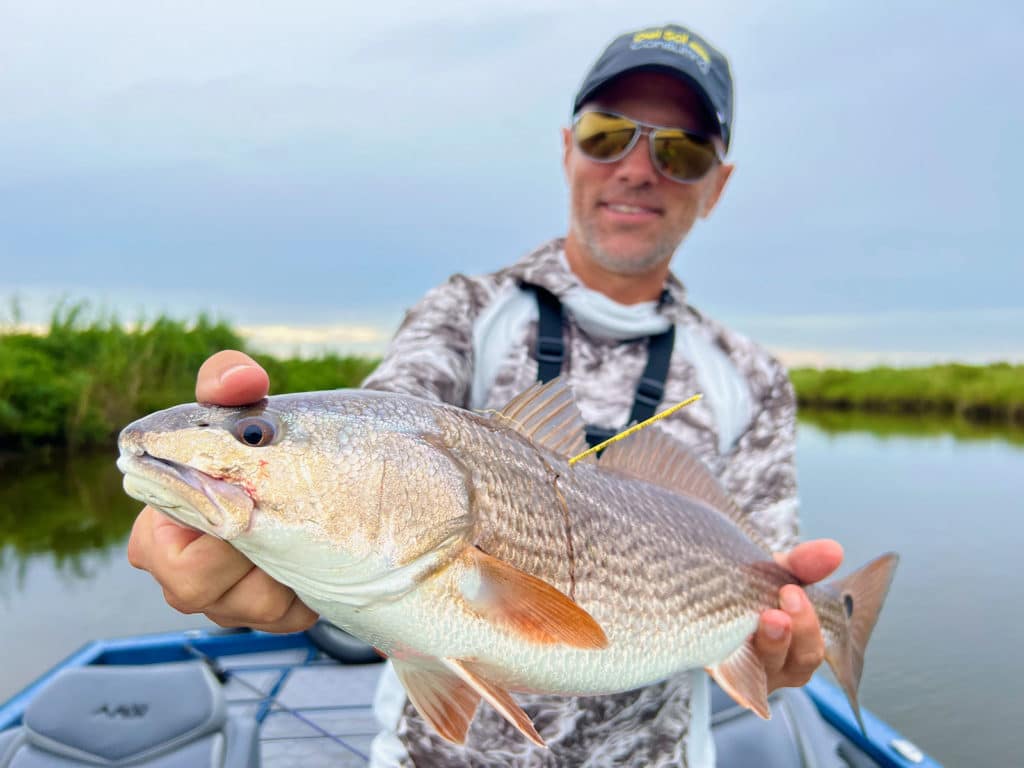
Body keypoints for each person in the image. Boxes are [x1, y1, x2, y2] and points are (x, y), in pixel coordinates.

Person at [127, 22, 844, 767]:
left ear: (718, 183)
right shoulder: (465, 314)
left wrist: (786, 644)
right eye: (608, 135)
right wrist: (252, 532)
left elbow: (773, 580)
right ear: (567, 147)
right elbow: (390, 415)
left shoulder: (752, 379)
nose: (638, 168)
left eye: (682, 149)